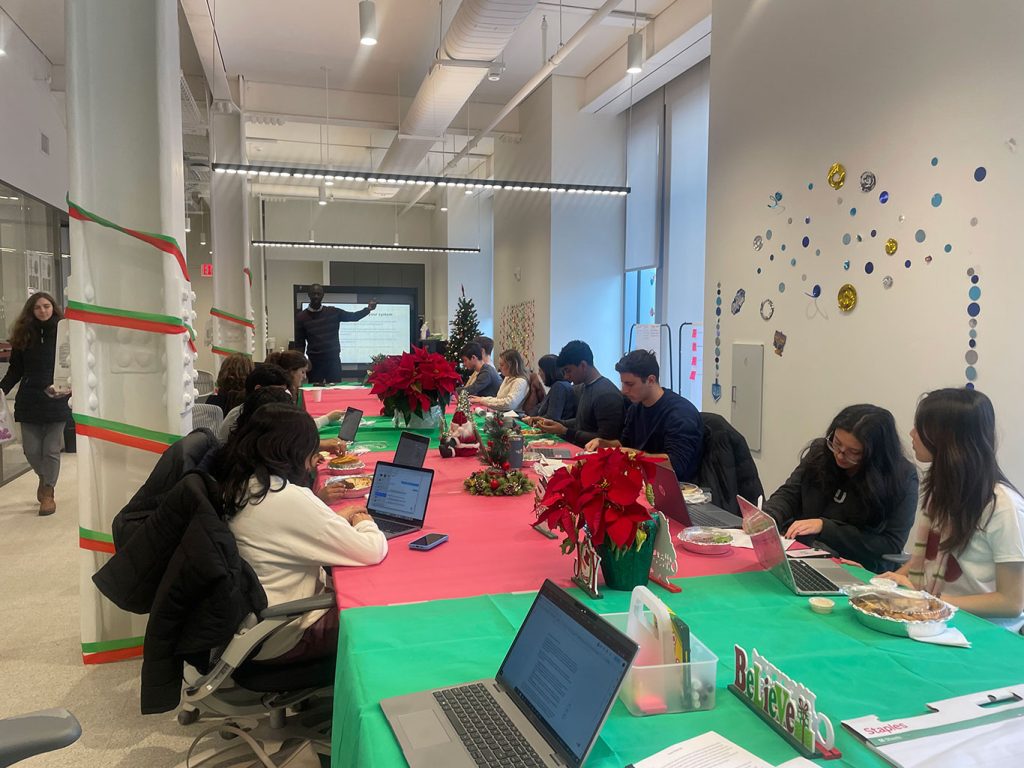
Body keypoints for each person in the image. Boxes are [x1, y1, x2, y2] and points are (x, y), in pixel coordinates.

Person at [218, 404, 387, 662]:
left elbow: (293, 531)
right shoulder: (283, 497)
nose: (313, 459)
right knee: (380, 619)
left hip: (256, 625)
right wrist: (364, 520)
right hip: (287, 633)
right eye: (311, 449)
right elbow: (371, 550)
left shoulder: (246, 485)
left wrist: (339, 517)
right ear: (294, 451)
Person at [882, 388, 1024, 632]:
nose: (911, 434)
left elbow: (1012, 602)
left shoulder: (1002, 505)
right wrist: (890, 581)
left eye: (920, 428)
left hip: (985, 636)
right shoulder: (942, 494)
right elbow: (927, 561)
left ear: (945, 438)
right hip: (938, 621)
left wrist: (931, 602)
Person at [763, 404, 918, 574]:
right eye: (836, 443)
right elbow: (790, 494)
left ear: (875, 454)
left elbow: (890, 545)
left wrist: (825, 527)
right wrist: (767, 517)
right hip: (802, 553)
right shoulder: (820, 453)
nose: (840, 455)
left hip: (858, 567)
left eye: (854, 452)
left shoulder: (902, 477)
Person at [0, 292, 71, 516]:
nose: (43, 311)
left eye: (47, 306)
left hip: (56, 399)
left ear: (53, 308)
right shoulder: (23, 337)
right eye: (38, 307)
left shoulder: (65, 333)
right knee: (31, 450)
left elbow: (73, 365)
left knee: (51, 449)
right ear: (31, 310)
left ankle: (48, 492)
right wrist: (1, 389)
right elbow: (15, 370)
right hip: (29, 399)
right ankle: (44, 479)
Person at [585, 350, 703, 482]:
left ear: (651, 380)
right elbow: (625, 444)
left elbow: (675, 464)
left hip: (673, 488)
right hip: (642, 480)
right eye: (623, 383)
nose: (624, 390)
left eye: (630, 384)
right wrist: (604, 444)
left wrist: (634, 455)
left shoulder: (680, 413)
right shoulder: (636, 408)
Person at [526, 340, 624, 448]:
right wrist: (553, 422)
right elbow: (582, 422)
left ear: (583, 365)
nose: (567, 376)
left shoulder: (606, 394)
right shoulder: (584, 387)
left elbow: (604, 442)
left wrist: (565, 431)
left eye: (568, 370)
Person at [294, 284, 377, 384]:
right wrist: (300, 364)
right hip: (314, 362)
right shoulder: (301, 317)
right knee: (314, 391)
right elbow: (299, 344)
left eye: (318, 294)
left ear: (322, 295)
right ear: (309, 295)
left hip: (333, 360)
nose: (316, 296)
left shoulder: (333, 312)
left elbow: (353, 316)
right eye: (313, 294)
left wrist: (368, 309)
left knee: (335, 390)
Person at [528, 354, 576, 421]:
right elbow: (539, 407)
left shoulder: (559, 387)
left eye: (540, 370)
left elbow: (552, 417)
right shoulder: (557, 386)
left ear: (548, 372)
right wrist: (529, 417)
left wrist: (532, 419)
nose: (539, 374)